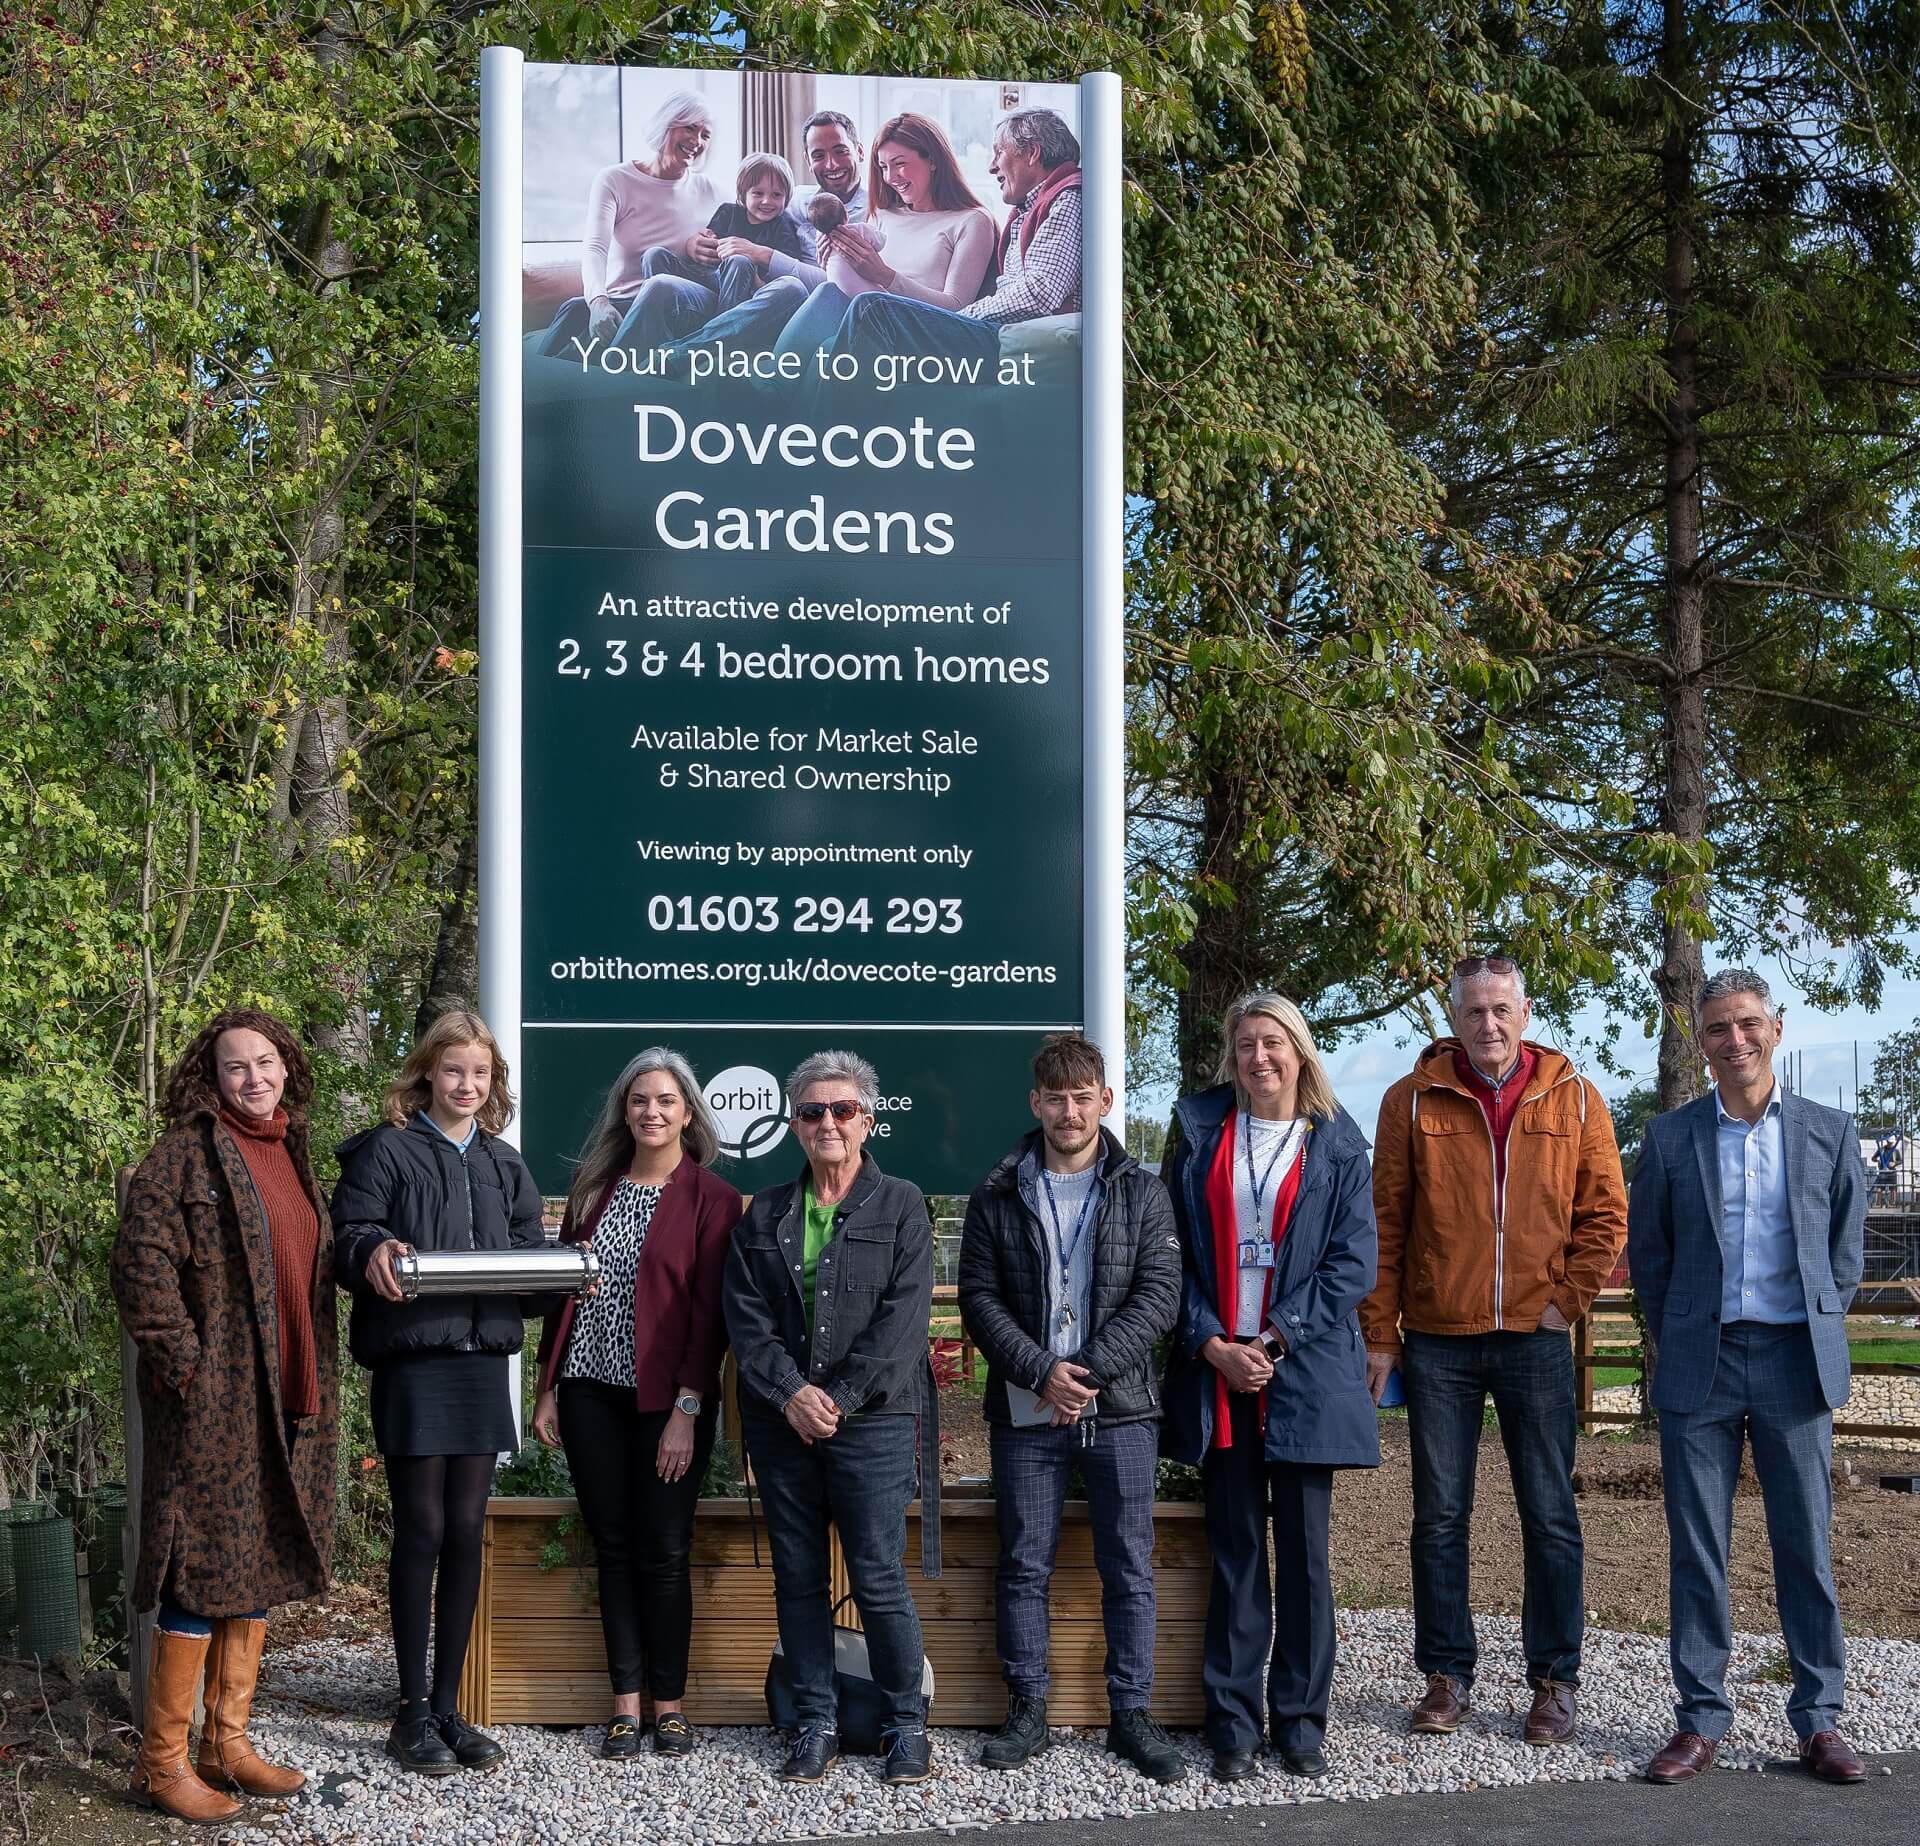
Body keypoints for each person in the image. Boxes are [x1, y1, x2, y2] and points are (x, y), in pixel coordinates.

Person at [1361, 955, 1626, 1746]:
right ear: (1454, 1017)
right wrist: (1382, 1330)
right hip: (1439, 1343)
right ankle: (1446, 1677)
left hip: (1534, 1343)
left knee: (1550, 1515)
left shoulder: (1575, 1096)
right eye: (1473, 1011)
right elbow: (1385, 1226)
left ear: (1526, 1009)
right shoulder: (1409, 1102)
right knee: (1439, 1518)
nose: (1489, 1025)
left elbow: (1605, 1215)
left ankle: (1553, 1681)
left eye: (1501, 1009)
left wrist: (1563, 1305)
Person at [1628, 970, 1870, 1786]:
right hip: (1702, 1360)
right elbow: (1652, 1258)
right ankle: (1699, 1719)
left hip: (1793, 1362)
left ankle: (1820, 1720)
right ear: (1700, 1041)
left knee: (1805, 1545)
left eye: (1748, 1024)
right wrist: (1681, 1330)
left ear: (1776, 1026)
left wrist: (1819, 1318)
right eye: (1718, 1029)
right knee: (1700, 1550)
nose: (1735, 1041)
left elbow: (1844, 1249)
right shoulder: (1669, 1139)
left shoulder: (1830, 1132)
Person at [112, 1008, 338, 1823]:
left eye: (266, 1061)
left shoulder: (291, 1152)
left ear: (286, 1068)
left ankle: (226, 1744)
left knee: (256, 1558)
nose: (254, 1077)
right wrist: (190, 1367)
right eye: (236, 1065)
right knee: (199, 1566)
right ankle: (162, 1763)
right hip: (213, 1405)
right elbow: (140, 1268)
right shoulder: (182, 1156)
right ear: (210, 1076)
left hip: (285, 1396)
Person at [1161, 993, 1381, 1782]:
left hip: (1303, 1372)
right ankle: (1232, 1723)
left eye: (1274, 1043)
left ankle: (1300, 1722)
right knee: (1236, 1551)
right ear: (1232, 1055)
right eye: (1247, 1043)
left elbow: (1354, 1263)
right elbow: (1170, 1256)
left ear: (1301, 1052)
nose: (1260, 1058)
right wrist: (1214, 1342)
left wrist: (1277, 1334)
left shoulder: (1339, 1146)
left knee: (1306, 1557)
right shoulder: (1195, 1138)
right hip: (1220, 1374)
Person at [957, 1034, 1185, 1784]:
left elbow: (1159, 1297)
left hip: (1119, 1409)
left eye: (1082, 1096)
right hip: (1026, 1409)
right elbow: (981, 1300)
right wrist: (1041, 1373)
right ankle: (1027, 1710)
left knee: (1129, 1565)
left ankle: (1132, 1715)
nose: (1068, 1110)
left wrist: (1080, 1373)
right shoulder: (998, 1191)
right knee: (1023, 1564)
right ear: (1035, 1104)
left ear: (1105, 1102)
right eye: (1055, 1098)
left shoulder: (1144, 1191)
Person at [333, 1010, 545, 1775]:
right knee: (420, 1529)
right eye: (454, 1070)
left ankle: (450, 1706)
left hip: (481, 1366)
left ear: (493, 1084)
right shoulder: (386, 1150)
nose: (467, 1084)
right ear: (426, 1073)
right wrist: (372, 1250)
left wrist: (560, 1272)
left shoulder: (504, 1165)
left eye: (480, 1074)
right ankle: (409, 1709)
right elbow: (348, 1237)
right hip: (415, 1365)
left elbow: (528, 1263)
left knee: (464, 1530)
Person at [721, 1051, 940, 1788]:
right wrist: (792, 1395)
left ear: (867, 1120)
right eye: (812, 1111)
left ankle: (905, 1725)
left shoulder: (903, 1204)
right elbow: (745, 1323)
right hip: (782, 1424)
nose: (827, 1123)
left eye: (842, 1110)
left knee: (878, 1577)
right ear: (793, 1123)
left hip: (872, 1423)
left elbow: (904, 1323)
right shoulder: (764, 1213)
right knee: (798, 1577)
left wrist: (836, 1399)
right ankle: (813, 1720)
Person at [530, 1049, 743, 1759]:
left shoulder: (711, 1197)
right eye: (639, 1100)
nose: (651, 1112)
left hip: (667, 1401)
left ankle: (670, 1707)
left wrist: (687, 1407)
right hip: (589, 1389)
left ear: (688, 1111)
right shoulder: (593, 1191)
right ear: (625, 1111)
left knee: (665, 1551)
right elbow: (565, 1295)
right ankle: (625, 1708)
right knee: (613, 1548)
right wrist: (547, 1387)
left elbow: (708, 1315)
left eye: (665, 1100)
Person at [821, 107, 1083, 369]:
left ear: (1033, 153)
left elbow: (1040, 293)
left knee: (871, 308)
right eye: (883, 167)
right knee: (824, 296)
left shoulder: (1068, 199)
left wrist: (965, 318)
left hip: (995, 336)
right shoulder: (1029, 208)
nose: (992, 167)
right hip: (987, 331)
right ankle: (784, 392)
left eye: (999, 153)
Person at [768, 111, 995, 370]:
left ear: (932, 160)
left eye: (899, 163)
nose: (890, 177)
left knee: (847, 329)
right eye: (883, 167)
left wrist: (886, 276)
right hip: (868, 324)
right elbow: (856, 285)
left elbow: (957, 307)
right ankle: (770, 384)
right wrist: (832, 260)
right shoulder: (883, 214)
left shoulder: (972, 221)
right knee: (828, 294)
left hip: (922, 334)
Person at [650, 109, 869, 358]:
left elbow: (840, 287)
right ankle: (655, 353)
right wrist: (693, 244)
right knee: (657, 261)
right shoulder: (795, 198)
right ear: (807, 160)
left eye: (840, 151)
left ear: (860, 151)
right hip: (732, 290)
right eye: (819, 155)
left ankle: (686, 353)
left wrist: (760, 254)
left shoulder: (875, 211)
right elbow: (745, 198)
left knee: (788, 286)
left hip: (805, 302)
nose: (831, 164)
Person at [533, 91, 722, 359]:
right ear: (666, 123)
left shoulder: (713, 192)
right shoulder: (614, 180)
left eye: (705, 135)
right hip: (625, 301)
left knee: (654, 292)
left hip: (673, 306)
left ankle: (608, 375)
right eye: (689, 128)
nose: (697, 141)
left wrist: (698, 245)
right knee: (575, 309)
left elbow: (763, 215)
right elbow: (595, 248)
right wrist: (598, 302)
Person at [634, 154, 814, 322]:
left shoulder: (783, 226)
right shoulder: (728, 211)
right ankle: (661, 316)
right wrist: (707, 240)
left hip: (742, 292)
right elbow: (706, 246)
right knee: (654, 254)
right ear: (743, 194)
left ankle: (721, 327)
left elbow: (782, 271)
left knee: (739, 262)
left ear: (786, 197)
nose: (767, 201)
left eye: (776, 195)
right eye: (758, 193)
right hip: (706, 280)